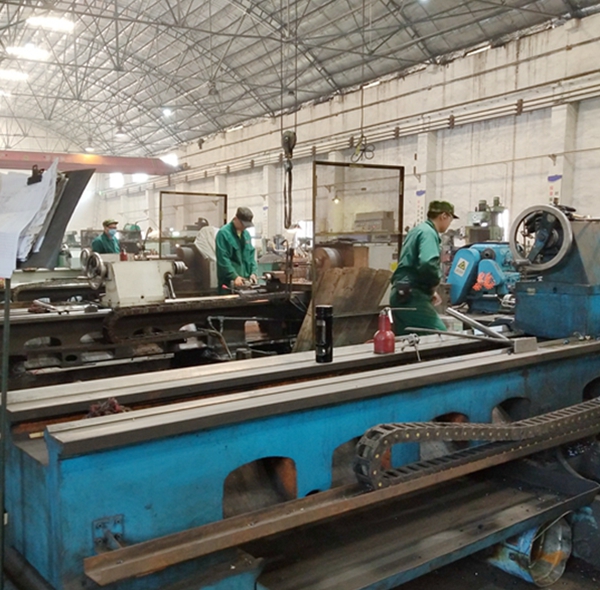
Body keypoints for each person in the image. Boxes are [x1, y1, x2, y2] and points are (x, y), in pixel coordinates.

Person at [390, 200, 458, 335]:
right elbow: (427, 263)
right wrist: (434, 284)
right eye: (450, 219)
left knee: (409, 340)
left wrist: (429, 292)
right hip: (412, 296)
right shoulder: (428, 233)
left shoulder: (418, 230)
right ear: (444, 216)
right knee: (439, 336)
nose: (450, 223)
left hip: (401, 293)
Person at [216, 207, 258, 294]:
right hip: (229, 284)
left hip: (245, 283)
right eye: (243, 224)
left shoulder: (246, 235)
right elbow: (223, 259)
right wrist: (234, 276)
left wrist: (253, 273)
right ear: (235, 219)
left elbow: (251, 256)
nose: (244, 227)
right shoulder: (224, 233)